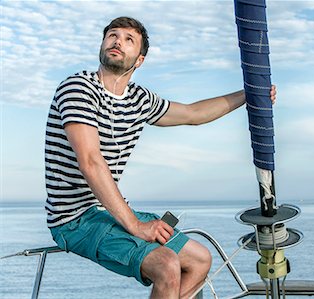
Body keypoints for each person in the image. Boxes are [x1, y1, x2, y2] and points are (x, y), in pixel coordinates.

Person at [45, 16, 276, 299]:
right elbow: (91, 162)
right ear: (102, 44)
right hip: (74, 219)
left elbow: (193, 114)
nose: (118, 41)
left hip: (107, 211)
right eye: (112, 35)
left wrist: (250, 95)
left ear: (139, 60)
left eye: (129, 39)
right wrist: (135, 225)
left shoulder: (139, 100)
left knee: (200, 260)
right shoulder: (78, 88)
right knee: (166, 265)